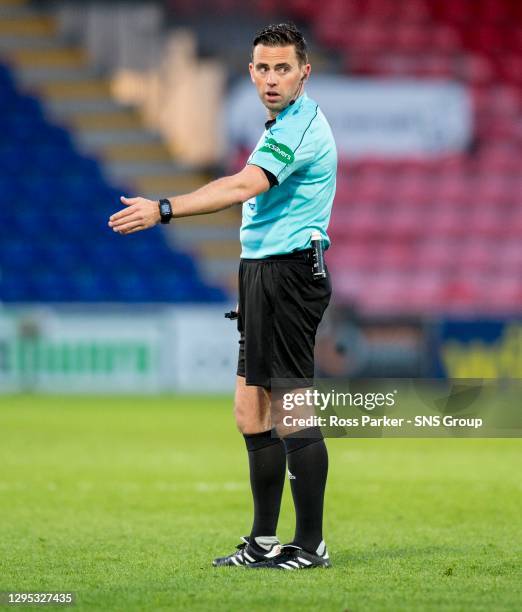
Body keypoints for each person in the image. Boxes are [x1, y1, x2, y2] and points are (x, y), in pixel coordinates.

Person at [108, 22, 337, 570]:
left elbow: (242, 186)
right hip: (261, 272)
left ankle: (310, 545)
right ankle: (261, 543)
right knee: (248, 411)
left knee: (292, 410)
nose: (273, 78)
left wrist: (164, 207)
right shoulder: (279, 122)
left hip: (289, 274)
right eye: (264, 68)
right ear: (251, 72)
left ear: (304, 73)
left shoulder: (301, 126)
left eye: (285, 68)